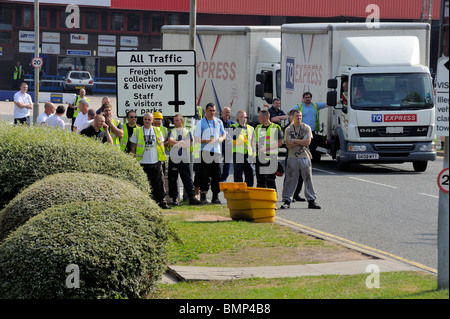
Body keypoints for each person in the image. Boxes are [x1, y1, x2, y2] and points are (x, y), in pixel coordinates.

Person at [280, 109, 320, 209]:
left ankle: (311, 200)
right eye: (297, 116)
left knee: (308, 179)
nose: (299, 118)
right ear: (293, 117)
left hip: (305, 157)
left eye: (300, 116)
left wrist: (294, 141)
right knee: (290, 179)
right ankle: (287, 200)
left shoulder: (307, 128)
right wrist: (300, 141)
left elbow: (307, 142)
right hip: (292, 157)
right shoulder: (288, 129)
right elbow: (288, 144)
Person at [130, 113, 171, 210]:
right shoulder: (137, 131)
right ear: (143, 120)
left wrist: (160, 160)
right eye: (145, 119)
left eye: (149, 119)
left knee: (159, 184)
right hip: (142, 162)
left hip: (155, 162)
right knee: (142, 184)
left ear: (152, 121)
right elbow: (133, 147)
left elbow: (161, 145)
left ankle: (162, 203)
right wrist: (134, 159)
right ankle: (142, 204)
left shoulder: (157, 130)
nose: (147, 121)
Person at [194, 102, 226, 204]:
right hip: (205, 151)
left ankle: (215, 196)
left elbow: (223, 133)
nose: (212, 113)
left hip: (216, 151)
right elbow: (197, 138)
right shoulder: (201, 123)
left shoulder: (219, 122)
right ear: (206, 111)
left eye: (213, 111)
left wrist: (221, 138)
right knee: (204, 174)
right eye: (210, 111)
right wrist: (206, 140)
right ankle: (203, 195)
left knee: (217, 174)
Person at [167, 114, 201, 205]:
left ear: (182, 121)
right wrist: (181, 142)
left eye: (177, 120)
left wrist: (176, 143)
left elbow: (187, 144)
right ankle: (175, 199)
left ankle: (192, 198)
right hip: (174, 158)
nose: (175, 122)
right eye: (174, 120)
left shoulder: (187, 132)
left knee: (187, 179)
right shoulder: (172, 131)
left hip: (184, 158)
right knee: (173, 179)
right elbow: (170, 142)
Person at [290, 92, 326, 156]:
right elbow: (289, 112)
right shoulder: (300, 106)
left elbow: (326, 104)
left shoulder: (315, 105)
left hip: (312, 131)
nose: (307, 99)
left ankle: (309, 159)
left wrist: (338, 102)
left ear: (311, 98)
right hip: (302, 130)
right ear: (303, 98)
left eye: (308, 97)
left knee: (313, 146)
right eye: (306, 97)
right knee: (303, 146)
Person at [255, 109, 283, 190]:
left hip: (271, 157)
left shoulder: (275, 127)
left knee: (270, 179)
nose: (258, 119)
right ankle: (261, 199)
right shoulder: (258, 128)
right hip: (260, 157)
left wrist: (266, 148)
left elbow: (280, 143)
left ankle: (272, 199)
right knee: (260, 180)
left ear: (265, 117)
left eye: (259, 117)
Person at [231, 110, 256, 187]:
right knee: (238, 173)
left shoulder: (251, 128)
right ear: (237, 118)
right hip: (238, 153)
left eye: (245, 117)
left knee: (250, 173)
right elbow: (234, 137)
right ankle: (238, 191)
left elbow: (253, 142)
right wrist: (240, 125)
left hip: (249, 154)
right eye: (241, 117)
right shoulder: (233, 127)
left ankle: (249, 190)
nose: (244, 118)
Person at [219, 106, 235, 182]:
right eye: (226, 112)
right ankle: (216, 177)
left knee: (227, 162)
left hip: (228, 145)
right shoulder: (218, 122)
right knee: (217, 162)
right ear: (222, 112)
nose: (227, 114)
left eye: (228, 112)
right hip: (220, 145)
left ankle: (224, 178)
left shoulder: (232, 124)